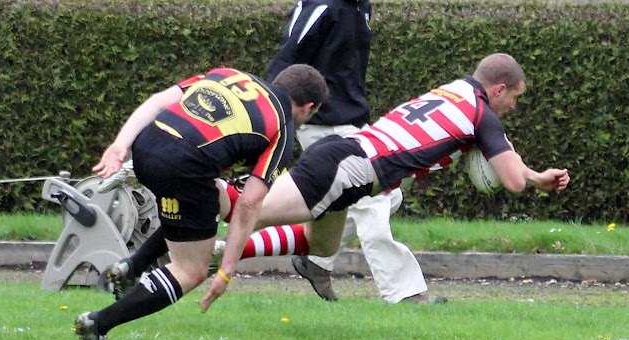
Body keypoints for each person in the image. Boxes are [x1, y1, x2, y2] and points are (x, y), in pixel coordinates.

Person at [232, 53, 570, 274]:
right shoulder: (481, 114)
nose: (514, 105)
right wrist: (535, 179)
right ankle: (195, 206)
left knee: (320, 245)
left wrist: (537, 176)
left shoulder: (455, 91)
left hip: (348, 161)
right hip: (348, 168)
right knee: (247, 209)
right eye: (515, 97)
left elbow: (505, 160)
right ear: (499, 89)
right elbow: (511, 180)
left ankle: (221, 249)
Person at [73, 63, 326, 340]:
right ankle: (98, 323)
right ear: (308, 107)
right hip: (183, 167)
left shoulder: (229, 74)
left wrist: (120, 146)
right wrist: (226, 270)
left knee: (214, 199)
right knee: (191, 270)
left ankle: (133, 266)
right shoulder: (282, 128)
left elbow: (158, 101)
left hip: (146, 146)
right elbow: (249, 204)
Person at [267, 0, 431, 304]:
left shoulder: (362, 6)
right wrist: (278, 118)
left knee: (374, 198)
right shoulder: (319, 4)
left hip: (355, 124)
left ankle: (317, 263)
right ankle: (405, 293)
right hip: (323, 127)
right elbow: (284, 61)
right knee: (372, 202)